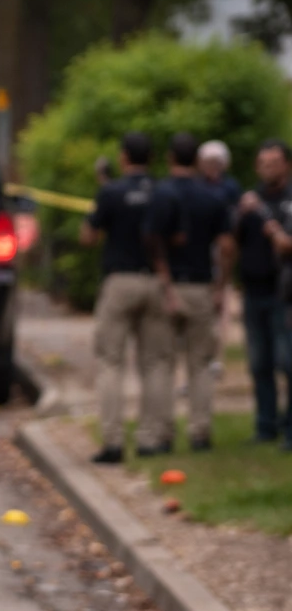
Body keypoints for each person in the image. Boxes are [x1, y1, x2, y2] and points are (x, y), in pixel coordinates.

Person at [80, 132, 172, 463]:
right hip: (156, 281)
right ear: (152, 158)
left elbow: (88, 236)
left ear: (123, 157)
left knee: (110, 362)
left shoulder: (111, 192)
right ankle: (152, 438)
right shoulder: (163, 193)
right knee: (157, 363)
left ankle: (113, 441)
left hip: (119, 281)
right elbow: (177, 236)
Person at [149, 132, 235, 451]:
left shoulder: (162, 194)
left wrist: (166, 282)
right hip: (201, 285)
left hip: (168, 284)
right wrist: (220, 287)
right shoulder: (212, 197)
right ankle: (200, 432)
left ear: (170, 158)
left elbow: (152, 241)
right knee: (200, 364)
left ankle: (162, 434)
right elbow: (226, 246)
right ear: (197, 161)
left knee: (162, 363)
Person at [236, 140, 292, 449]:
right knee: (260, 363)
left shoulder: (289, 200)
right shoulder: (250, 201)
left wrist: (274, 231)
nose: (267, 168)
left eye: (274, 162)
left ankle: (289, 428)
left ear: (287, 165)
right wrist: (240, 216)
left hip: (284, 294)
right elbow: (232, 242)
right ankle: (265, 425)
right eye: (263, 163)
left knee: (288, 362)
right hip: (253, 290)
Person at [198, 140, 242, 206]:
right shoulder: (197, 184)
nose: (211, 167)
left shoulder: (231, 186)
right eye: (208, 163)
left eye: (215, 163)